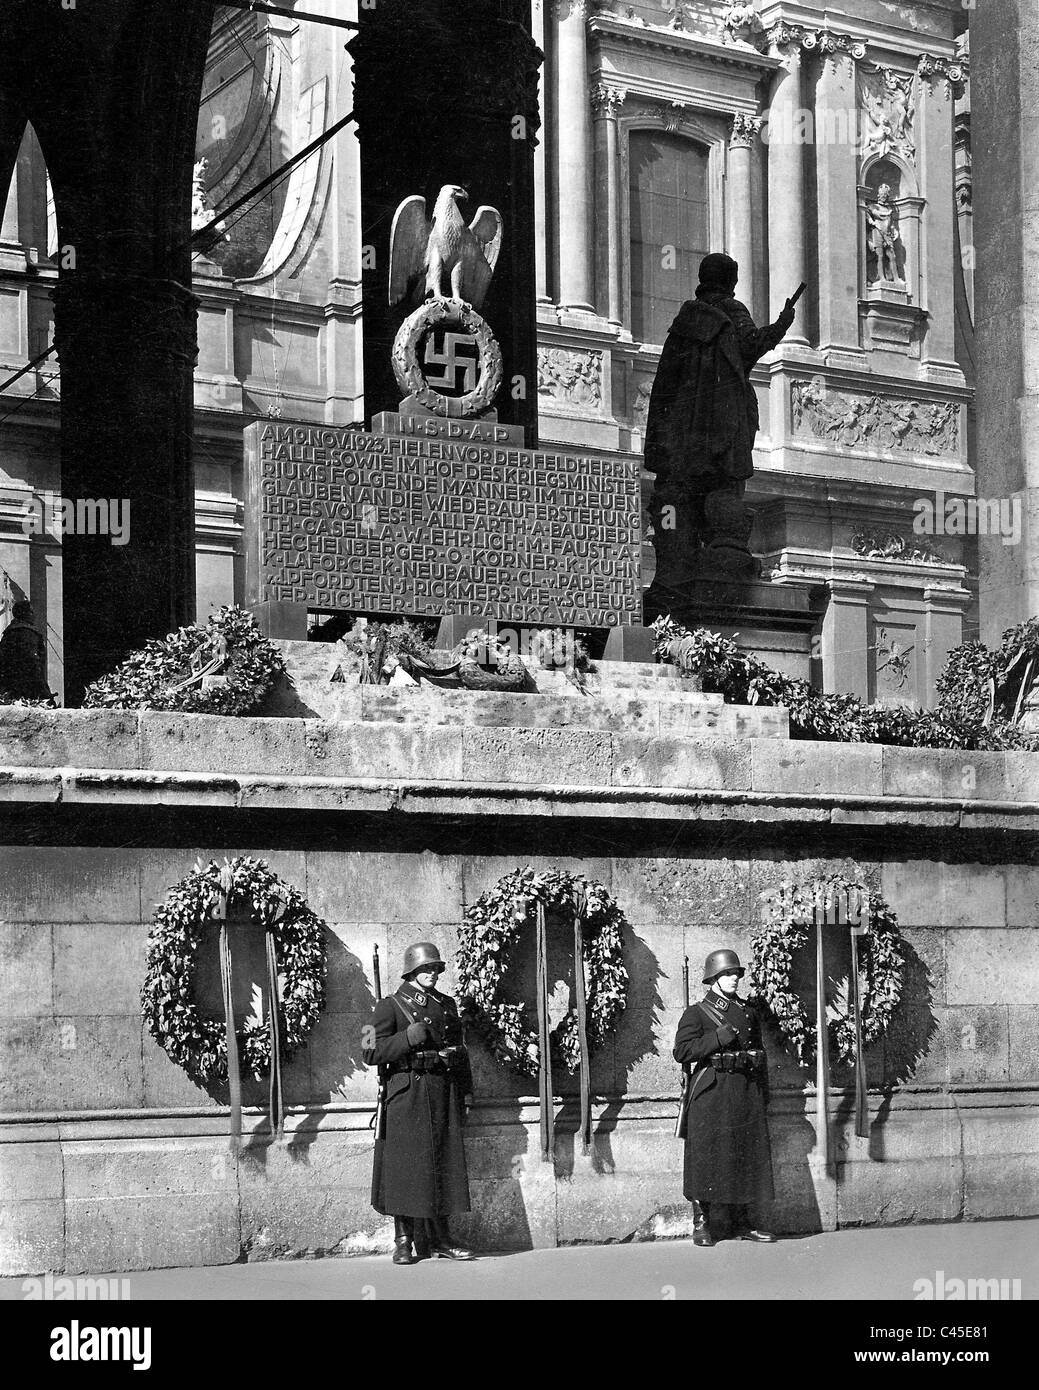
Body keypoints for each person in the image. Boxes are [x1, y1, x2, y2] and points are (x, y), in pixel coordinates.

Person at [644, 252, 796, 601]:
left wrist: (663, 443)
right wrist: (783, 323)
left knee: (685, 507)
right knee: (723, 497)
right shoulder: (731, 311)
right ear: (730, 281)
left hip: (687, 439)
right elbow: (752, 346)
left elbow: (665, 384)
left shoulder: (683, 323)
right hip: (724, 430)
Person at [364, 942, 475, 1263]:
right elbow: (369, 1051)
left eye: (437, 969)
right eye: (427, 969)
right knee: (406, 1170)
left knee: (443, 1166)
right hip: (406, 1096)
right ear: (412, 970)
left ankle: (442, 1240)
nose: (433, 974)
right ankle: (403, 1241)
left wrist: (467, 1091)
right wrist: (407, 1038)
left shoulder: (446, 1005)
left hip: (441, 1092)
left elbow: (460, 1050)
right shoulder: (387, 1007)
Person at [673, 948, 776, 1247]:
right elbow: (682, 1052)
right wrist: (717, 1037)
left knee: (745, 1155)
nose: (734, 978)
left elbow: (760, 1053)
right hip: (712, 1093)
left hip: (745, 1091)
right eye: (727, 974)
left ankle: (743, 1223)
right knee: (705, 1158)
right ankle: (701, 1224)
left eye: (736, 973)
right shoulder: (697, 1012)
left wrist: (763, 1093)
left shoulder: (747, 1011)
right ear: (713, 978)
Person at [0, 600, 54, 702]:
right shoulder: (29, 634)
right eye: (31, 612)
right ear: (25, 614)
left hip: (9, 689)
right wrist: (44, 692)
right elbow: (33, 664)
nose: (33, 616)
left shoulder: (8, 634)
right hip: (29, 690)